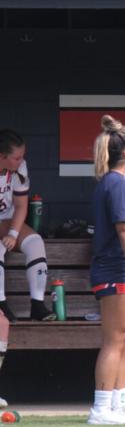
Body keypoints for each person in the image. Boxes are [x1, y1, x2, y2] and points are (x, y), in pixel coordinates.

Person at [87, 116, 125, 425]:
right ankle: (101, 409)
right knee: (115, 339)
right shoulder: (116, 184)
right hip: (116, 269)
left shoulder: (117, 183)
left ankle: (119, 406)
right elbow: (123, 229)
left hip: (122, 270)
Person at [0, 129, 51, 321]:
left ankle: (37, 304)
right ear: (1, 156)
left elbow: (21, 206)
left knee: (35, 242)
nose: (21, 161)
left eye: (22, 156)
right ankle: (1, 304)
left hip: (7, 219)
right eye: (16, 157)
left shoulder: (20, 168)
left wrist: (13, 233)